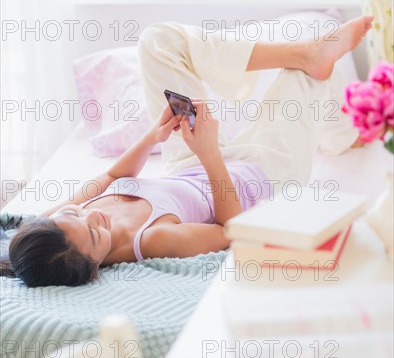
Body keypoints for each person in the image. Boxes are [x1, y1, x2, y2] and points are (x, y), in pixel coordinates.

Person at [0, 15, 373, 287]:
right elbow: (233, 230)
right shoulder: (154, 240)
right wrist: (210, 153)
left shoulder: (67, 225)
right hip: (259, 177)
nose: (93, 217)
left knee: (158, 40)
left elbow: (114, 176)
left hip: (188, 166)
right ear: (95, 269)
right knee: (305, 77)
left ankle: (303, 53)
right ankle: (343, 129)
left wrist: (153, 136)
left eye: (74, 213)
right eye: (95, 235)